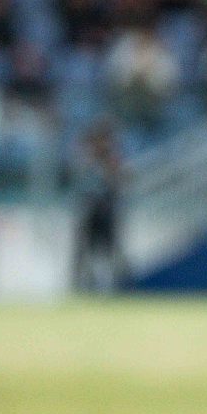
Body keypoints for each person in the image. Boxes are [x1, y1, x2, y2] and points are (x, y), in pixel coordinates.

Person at [71, 121, 124, 293]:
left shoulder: (111, 161)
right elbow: (79, 185)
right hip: (89, 212)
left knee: (108, 251)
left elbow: (118, 184)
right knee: (84, 251)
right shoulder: (87, 160)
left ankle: (114, 286)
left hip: (106, 212)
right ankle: (83, 284)